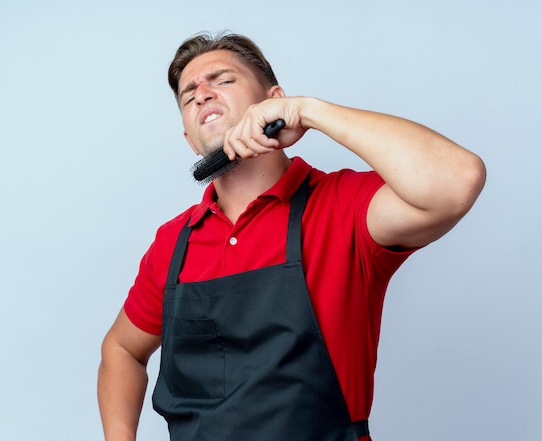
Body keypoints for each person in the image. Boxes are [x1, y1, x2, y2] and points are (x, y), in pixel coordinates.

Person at [97, 32, 486, 441]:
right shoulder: (173, 243)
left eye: (222, 80)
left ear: (273, 101)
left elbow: (458, 180)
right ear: (189, 139)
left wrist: (309, 111)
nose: (201, 94)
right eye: (188, 93)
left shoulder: (343, 207)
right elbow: (121, 350)